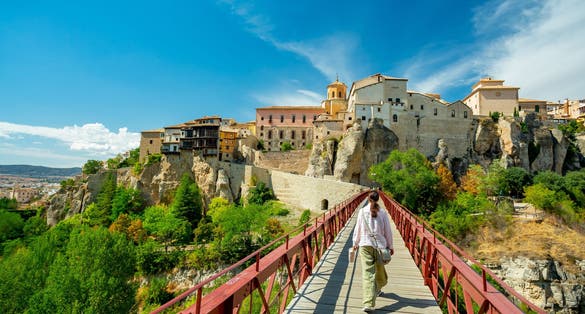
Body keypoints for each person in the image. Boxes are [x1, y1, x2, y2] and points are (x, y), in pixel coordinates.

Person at [352, 190, 394, 312]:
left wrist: (355, 243)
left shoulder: (362, 211)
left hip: (365, 245)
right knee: (372, 273)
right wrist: (390, 246)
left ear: (368, 199)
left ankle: (376, 289)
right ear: (378, 199)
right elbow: (388, 232)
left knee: (373, 274)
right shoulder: (383, 213)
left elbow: (358, 228)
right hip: (380, 246)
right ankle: (368, 303)